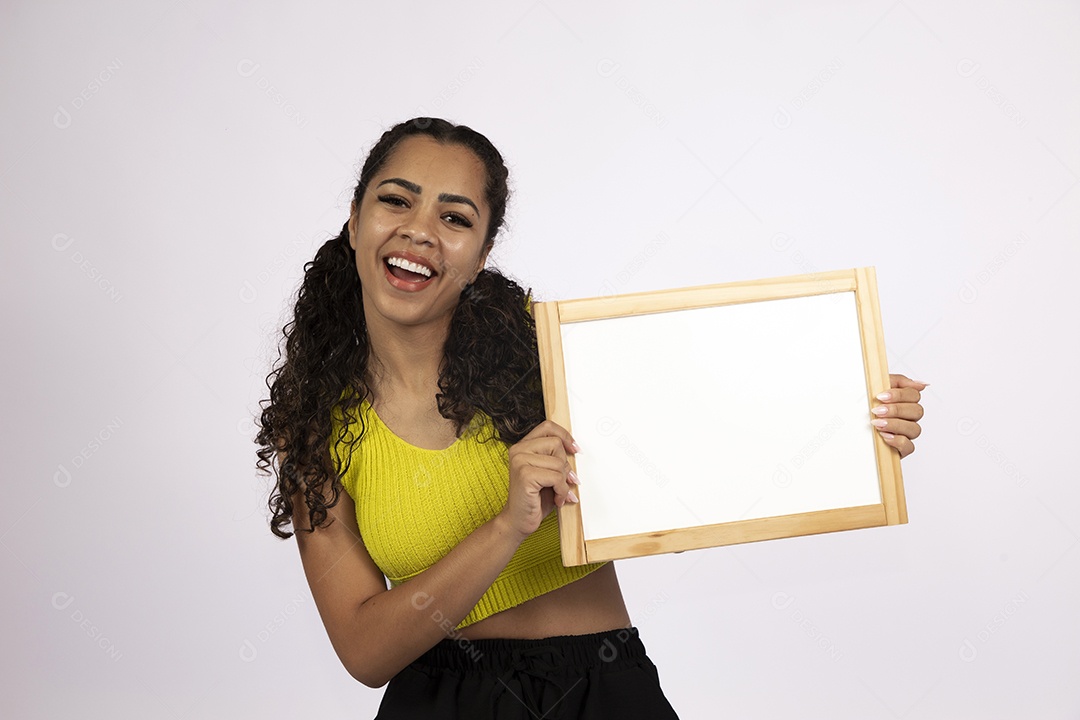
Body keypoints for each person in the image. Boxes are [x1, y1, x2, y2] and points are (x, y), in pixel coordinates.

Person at [255, 117, 927, 718]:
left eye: (455, 218)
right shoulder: (313, 423)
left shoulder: (550, 355)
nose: (419, 231)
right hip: (433, 704)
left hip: (598, 691)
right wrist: (507, 527)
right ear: (354, 219)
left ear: (483, 252)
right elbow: (366, 653)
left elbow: (725, 423)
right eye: (395, 200)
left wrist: (851, 405)